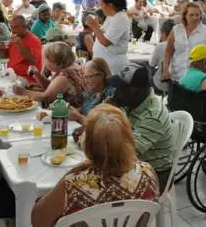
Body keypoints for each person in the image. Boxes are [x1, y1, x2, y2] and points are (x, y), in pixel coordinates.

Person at [31, 104, 159, 227]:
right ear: (129, 139)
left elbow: (37, 222)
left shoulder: (72, 185)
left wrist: (65, 178)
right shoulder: (148, 173)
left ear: (87, 144)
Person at [107, 63, 175, 192]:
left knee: (94, 190)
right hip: (133, 164)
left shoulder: (153, 115)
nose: (115, 93)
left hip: (155, 174)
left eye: (120, 88)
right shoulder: (130, 102)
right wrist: (107, 109)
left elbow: (127, 154)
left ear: (135, 91)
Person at [14, 42, 87, 108]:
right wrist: (38, 75)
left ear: (53, 61)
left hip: (67, 114)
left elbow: (46, 97)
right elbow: (52, 88)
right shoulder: (71, 66)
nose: (45, 62)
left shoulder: (65, 76)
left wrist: (22, 92)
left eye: (46, 59)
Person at [163, 2, 206, 82]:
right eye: (191, 15)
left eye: (197, 14)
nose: (195, 17)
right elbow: (168, 51)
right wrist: (165, 69)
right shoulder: (176, 30)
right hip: (177, 74)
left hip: (198, 76)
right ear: (185, 16)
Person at [87, 0, 130, 73]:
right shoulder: (111, 16)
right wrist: (96, 25)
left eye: (102, 4)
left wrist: (95, 26)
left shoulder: (120, 18)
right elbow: (102, 34)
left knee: (111, 86)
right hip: (104, 63)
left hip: (112, 65)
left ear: (110, 5)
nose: (100, 6)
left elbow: (106, 42)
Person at [68, 58, 116, 123]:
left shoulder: (111, 94)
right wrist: (70, 110)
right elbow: (84, 109)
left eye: (89, 77)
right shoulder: (92, 92)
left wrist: (79, 117)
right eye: (84, 77)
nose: (85, 81)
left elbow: (102, 125)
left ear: (101, 76)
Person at [150, 19, 175, 93]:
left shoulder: (160, 46)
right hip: (177, 84)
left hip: (162, 85)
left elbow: (152, 64)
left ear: (163, 34)